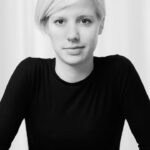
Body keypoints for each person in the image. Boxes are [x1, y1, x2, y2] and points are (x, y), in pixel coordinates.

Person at [0, 0, 150, 149]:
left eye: (85, 21)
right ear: (46, 26)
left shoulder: (119, 72)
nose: (72, 35)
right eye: (60, 21)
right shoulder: (30, 74)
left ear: (101, 24)